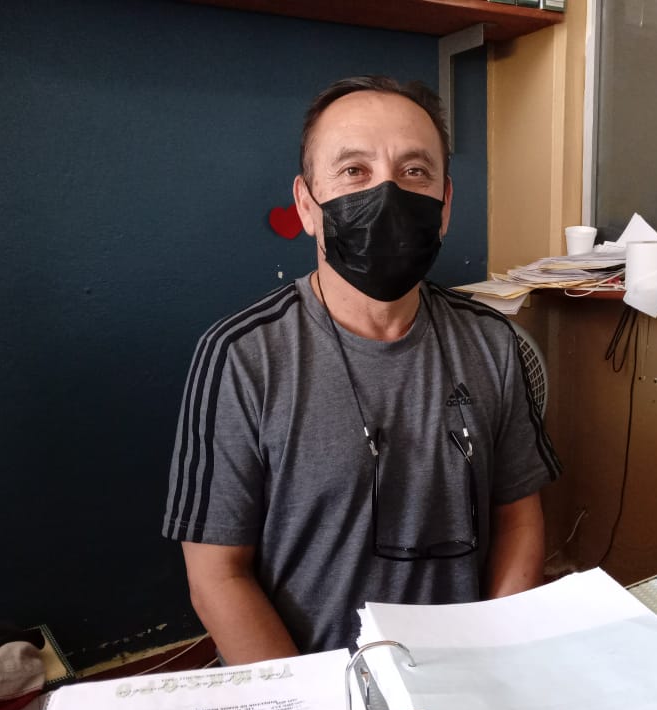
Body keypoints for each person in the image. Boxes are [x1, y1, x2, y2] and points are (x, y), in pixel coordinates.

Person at [162, 75, 561, 665]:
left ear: (445, 205)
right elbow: (217, 576)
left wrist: (495, 656)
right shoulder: (242, 357)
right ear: (306, 205)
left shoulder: (494, 345)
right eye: (354, 171)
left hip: (463, 676)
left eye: (414, 171)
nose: (387, 193)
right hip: (310, 686)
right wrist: (316, 707)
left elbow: (519, 522)